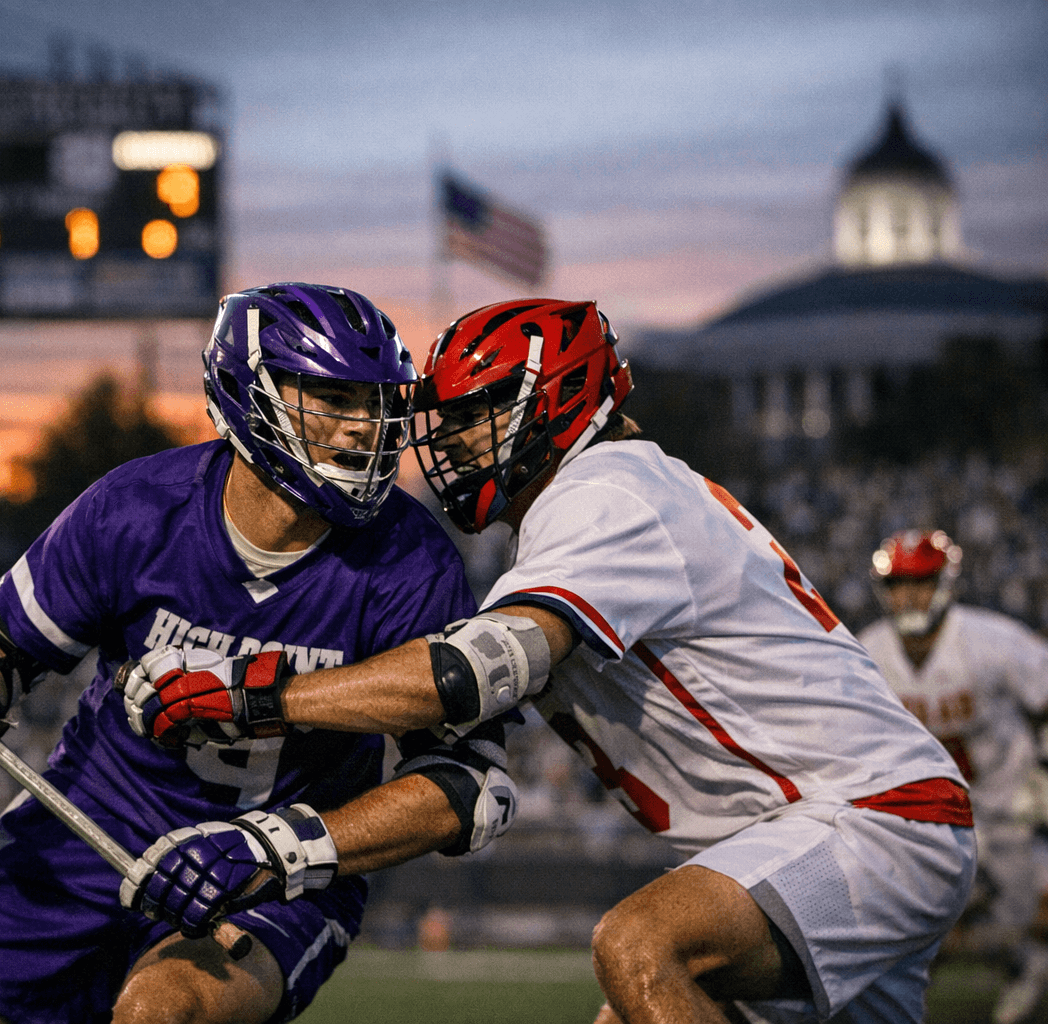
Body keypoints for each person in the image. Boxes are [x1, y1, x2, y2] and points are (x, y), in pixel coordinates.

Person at [121, 297, 978, 1024]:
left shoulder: (604, 491)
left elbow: (465, 676)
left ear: (557, 397)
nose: (452, 441)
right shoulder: (595, 507)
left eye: (476, 414)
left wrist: (253, 694)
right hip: (823, 833)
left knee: (640, 944)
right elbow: (471, 752)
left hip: (867, 821)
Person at [0, 283, 500, 1024]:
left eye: (377, 403)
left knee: (163, 1013)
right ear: (248, 393)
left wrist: (277, 850)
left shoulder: (410, 560)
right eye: (334, 399)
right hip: (83, 829)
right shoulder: (136, 507)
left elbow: (465, 787)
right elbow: (0, 644)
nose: (364, 428)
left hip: (272, 875)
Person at [859, 529, 1048, 1024]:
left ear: (944, 583)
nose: (908, 597)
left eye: (920, 583)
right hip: (926, 812)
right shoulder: (869, 652)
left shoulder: (991, 640)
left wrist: (1044, 768)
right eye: (898, 585)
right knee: (912, 918)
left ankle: (1026, 968)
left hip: (1005, 804)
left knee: (1020, 914)